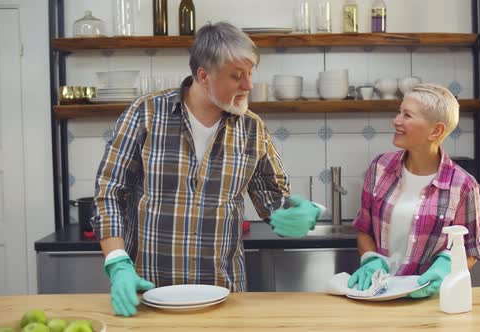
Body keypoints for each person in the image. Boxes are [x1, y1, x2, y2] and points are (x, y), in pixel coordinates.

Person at [91, 21, 321, 317]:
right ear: (204, 76)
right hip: (149, 295)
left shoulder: (252, 128)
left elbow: (273, 201)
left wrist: (295, 211)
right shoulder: (145, 114)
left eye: (250, 73)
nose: (248, 85)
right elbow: (109, 191)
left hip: (223, 299)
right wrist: (117, 261)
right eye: (237, 76)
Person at [349, 83, 480, 297]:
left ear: (436, 130)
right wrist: (370, 259)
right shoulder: (379, 169)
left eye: (407, 115)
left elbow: (471, 251)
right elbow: (364, 230)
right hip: (376, 295)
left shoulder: (463, 186)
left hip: (430, 301)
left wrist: (446, 267)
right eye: (399, 112)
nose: (396, 120)